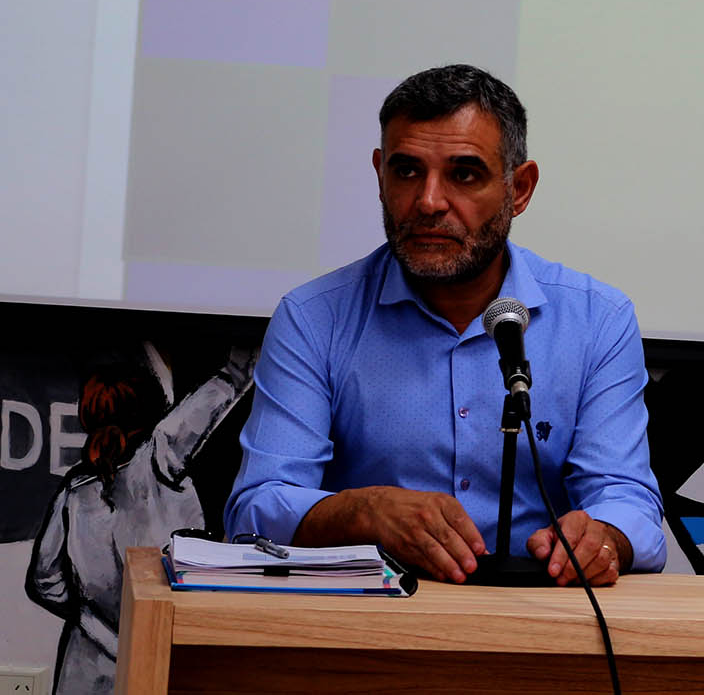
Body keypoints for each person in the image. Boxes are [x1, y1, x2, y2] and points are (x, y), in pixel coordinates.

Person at [223, 65, 665, 584]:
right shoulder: (315, 317)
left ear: (519, 189)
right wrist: (365, 512)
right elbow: (257, 507)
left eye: (464, 174)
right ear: (379, 175)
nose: (429, 202)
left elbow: (626, 498)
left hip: (540, 618)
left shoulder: (596, 320)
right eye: (407, 171)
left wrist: (603, 537)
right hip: (367, 623)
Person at [29, 346, 254, 695]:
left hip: (85, 666)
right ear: (151, 410)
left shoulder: (72, 492)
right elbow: (226, 384)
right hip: (162, 651)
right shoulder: (160, 456)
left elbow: (46, 582)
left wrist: (94, 624)